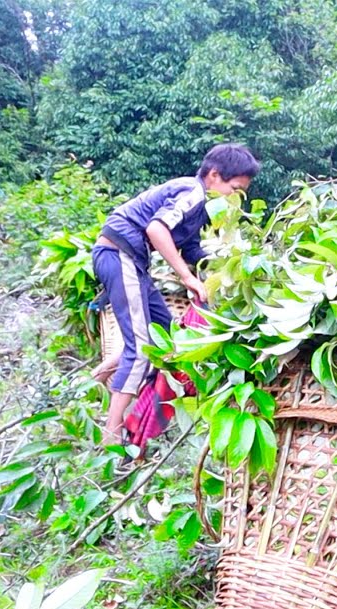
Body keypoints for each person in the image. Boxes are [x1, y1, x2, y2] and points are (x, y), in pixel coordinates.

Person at [91, 143, 259, 445]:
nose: (234, 197)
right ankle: (111, 434)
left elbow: (192, 248)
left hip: (133, 262)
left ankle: (106, 371)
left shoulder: (200, 209)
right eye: (233, 189)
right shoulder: (192, 192)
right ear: (214, 175)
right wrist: (187, 277)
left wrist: (230, 260)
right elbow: (157, 230)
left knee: (166, 335)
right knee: (142, 348)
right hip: (119, 255)